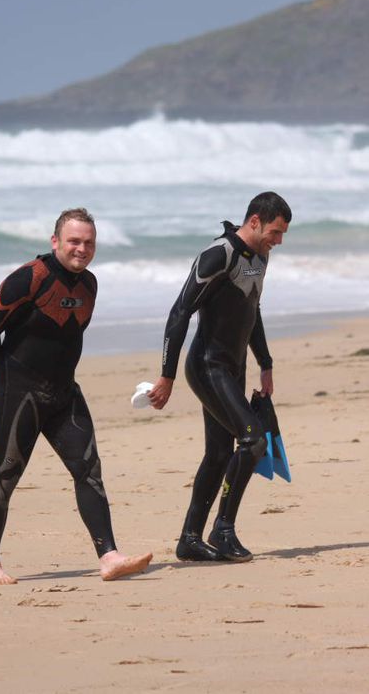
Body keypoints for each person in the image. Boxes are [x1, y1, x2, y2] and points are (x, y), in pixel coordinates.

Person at [0, 208, 152, 584]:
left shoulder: (90, 283)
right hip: (20, 393)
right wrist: (1, 371)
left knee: (89, 471)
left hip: (64, 394)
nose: (81, 249)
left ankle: (109, 556)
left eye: (88, 242)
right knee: (6, 475)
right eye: (73, 241)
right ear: (55, 241)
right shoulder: (28, 278)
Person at [148, 192, 292, 562]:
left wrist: (266, 361)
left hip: (234, 367)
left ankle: (190, 540)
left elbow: (252, 308)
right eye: (275, 232)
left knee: (217, 454)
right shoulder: (218, 255)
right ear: (255, 221)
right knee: (252, 440)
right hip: (208, 366)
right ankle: (222, 529)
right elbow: (179, 313)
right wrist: (167, 377)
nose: (278, 241)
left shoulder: (261, 256)